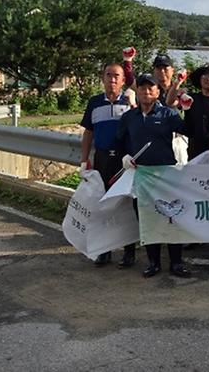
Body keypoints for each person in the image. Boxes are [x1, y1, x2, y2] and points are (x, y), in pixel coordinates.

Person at [115, 73, 191, 278]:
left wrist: (186, 108)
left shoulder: (167, 114)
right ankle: (153, 263)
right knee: (148, 220)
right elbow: (120, 142)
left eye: (151, 88)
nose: (146, 92)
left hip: (166, 175)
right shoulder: (129, 117)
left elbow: (189, 130)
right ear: (137, 92)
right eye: (142, 88)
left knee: (172, 218)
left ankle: (176, 263)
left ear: (158, 92)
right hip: (141, 177)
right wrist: (125, 156)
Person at [79, 63, 134, 267]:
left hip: (125, 159)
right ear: (102, 78)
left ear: (122, 80)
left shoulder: (130, 101)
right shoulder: (94, 102)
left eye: (116, 76)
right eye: (108, 75)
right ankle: (105, 249)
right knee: (103, 205)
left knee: (124, 204)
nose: (112, 79)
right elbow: (88, 132)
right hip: (102, 158)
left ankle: (129, 251)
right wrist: (85, 160)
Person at [178, 63, 209, 160]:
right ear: (200, 79)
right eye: (204, 75)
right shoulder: (192, 99)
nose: (208, 78)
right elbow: (188, 131)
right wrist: (187, 110)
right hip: (195, 154)